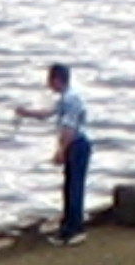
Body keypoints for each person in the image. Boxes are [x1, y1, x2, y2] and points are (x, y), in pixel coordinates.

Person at [15, 63, 93, 246]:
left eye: (50, 80)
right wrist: (27, 113)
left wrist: (61, 151)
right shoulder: (66, 98)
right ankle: (68, 227)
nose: (48, 84)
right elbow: (48, 113)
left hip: (77, 145)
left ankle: (74, 229)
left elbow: (69, 129)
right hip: (75, 144)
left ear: (57, 80)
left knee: (74, 187)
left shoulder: (70, 100)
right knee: (69, 186)